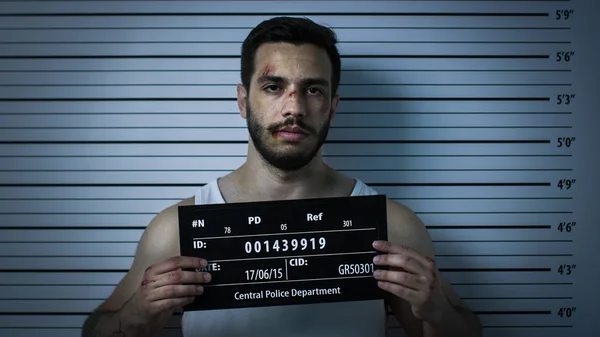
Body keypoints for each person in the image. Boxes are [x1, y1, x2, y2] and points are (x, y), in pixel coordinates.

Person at [81, 16, 482, 337]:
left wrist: (437, 311)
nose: (293, 108)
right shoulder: (177, 229)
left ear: (333, 105)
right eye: (274, 86)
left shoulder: (390, 224)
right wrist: (135, 315)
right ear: (243, 100)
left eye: (312, 90)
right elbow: (97, 328)